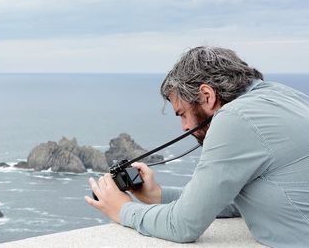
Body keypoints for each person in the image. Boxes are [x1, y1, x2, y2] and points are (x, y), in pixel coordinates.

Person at [85, 46, 309, 247]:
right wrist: (160, 195)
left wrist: (122, 210)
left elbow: (183, 226)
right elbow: (236, 201)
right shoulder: (284, 95)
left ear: (207, 95)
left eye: (182, 114)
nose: (184, 127)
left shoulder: (235, 118)